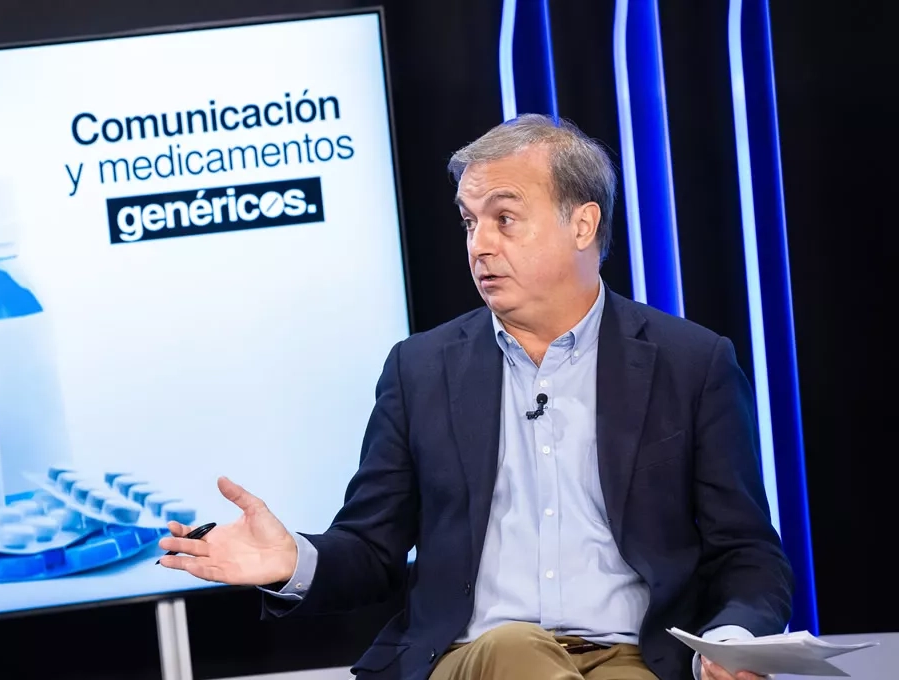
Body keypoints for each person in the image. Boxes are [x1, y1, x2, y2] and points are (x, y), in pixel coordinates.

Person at [158, 113, 793, 680]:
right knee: (519, 649)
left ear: (582, 224)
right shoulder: (421, 369)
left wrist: (729, 644)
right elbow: (373, 549)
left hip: (636, 659)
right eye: (469, 222)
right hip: (473, 657)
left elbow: (748, 554)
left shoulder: (691, 364)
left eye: (504, 218)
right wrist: (293, 561)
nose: (479, 244)